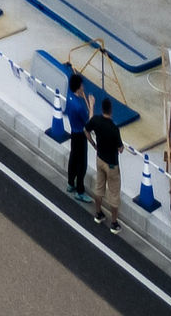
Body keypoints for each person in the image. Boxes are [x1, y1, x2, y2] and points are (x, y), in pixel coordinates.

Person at [87, 97, 124, 233]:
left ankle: (98, 214)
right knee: (114, 193)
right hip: (112, 165)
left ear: (102, 109)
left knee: (99, 187)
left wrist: (93, 144)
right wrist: (121, 147)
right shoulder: (114, 129)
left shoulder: (96, 120)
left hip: (100, 159)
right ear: (111, 110)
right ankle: (114, 223)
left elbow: (86, 129)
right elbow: (120, 148)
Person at [65, 73, 91, 202]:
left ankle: (70, 183)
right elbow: (89, 122)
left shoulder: (69, 97)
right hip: (81, 135)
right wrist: (91, 106)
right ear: (78, 87)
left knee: (73, 159)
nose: (83, 88)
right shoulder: (79, 107)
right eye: (82, 86)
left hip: (73, 133)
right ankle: (80, 191)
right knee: (82, 164)